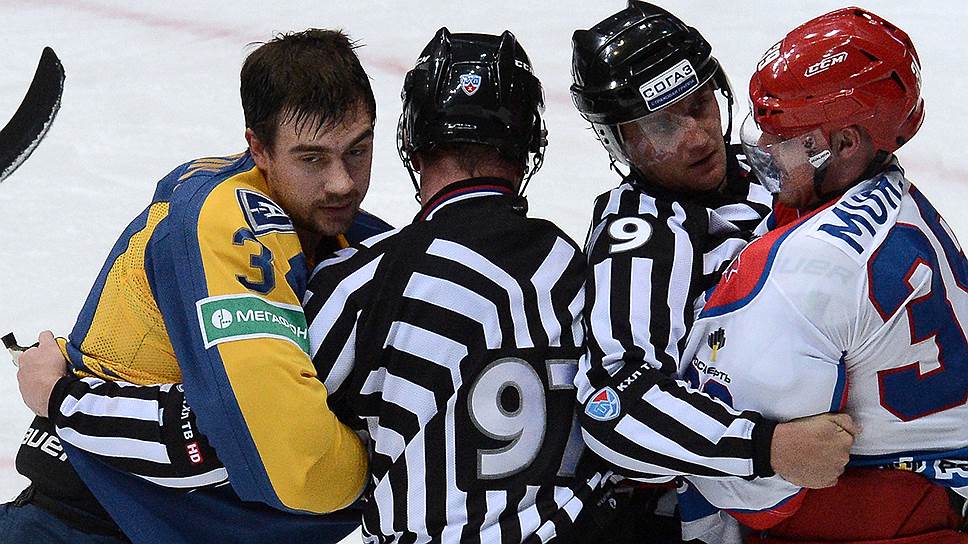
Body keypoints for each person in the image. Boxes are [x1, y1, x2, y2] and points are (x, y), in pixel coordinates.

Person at [10, 29, 390, 543]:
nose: (342, 182)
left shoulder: (345, 231)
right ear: (259, 148)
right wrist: (62, 399)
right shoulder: (223, 223)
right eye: (312, 158)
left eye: (357, 150)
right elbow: (283, 455)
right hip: (89, 522)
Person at [301, 27, 610, 541]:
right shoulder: (579, 272)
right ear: (526, 149)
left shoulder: (360, 279)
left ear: (413, 145)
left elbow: (269, 432)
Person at [676, 7, 968, 543]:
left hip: (869, 525)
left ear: (847, 143)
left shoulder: (805, 267)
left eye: (785, 137)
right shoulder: (904, 204)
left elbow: (753, 497)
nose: (762, 152)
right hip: (936, 508)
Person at [569, 2, 856, 539]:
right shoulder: (641, 235)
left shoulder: (762, 168)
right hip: (718, 518)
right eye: (661, 126)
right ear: (619, 142)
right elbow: (614, 406)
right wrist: (767, 448)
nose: (698, 137)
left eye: (700, 105)